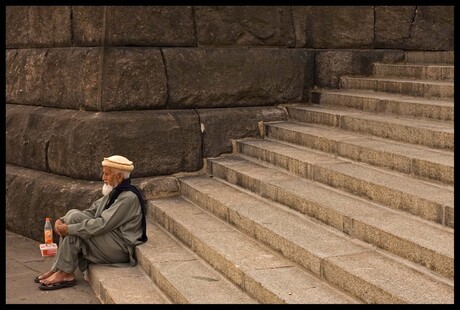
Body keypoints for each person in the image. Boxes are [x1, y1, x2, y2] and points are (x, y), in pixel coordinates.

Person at [35, 155, 148, 291]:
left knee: (74, 228)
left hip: (120, 247)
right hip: (109, 239)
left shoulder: (128, 197)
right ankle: (58, 269)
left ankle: (65, 273)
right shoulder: (116, 191)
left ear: (119, 177)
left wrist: (69, 228)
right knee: (73, 215)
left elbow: (102, 224)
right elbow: (91, 211)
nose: (103, 177)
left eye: (106, 174)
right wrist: (63, 220)